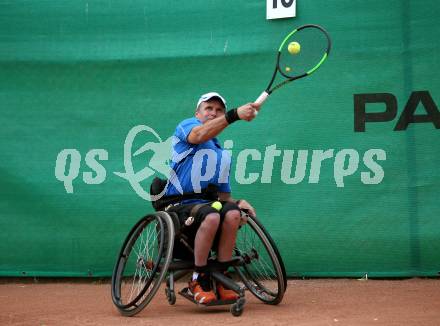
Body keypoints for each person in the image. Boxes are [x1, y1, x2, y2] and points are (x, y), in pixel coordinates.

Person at [165, 92, 260, 304]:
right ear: (197, 113)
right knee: (212, 216)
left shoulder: (222, 154)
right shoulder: (187, 127)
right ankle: (198, 278)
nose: (213, 113)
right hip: (178, 205)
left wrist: (237, 203)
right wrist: (234, 115)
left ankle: (222, 277)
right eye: (208, 109)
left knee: (233, 214)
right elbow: (198, 135)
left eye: (219, 110)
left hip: (208, 205)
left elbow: (224, 196)